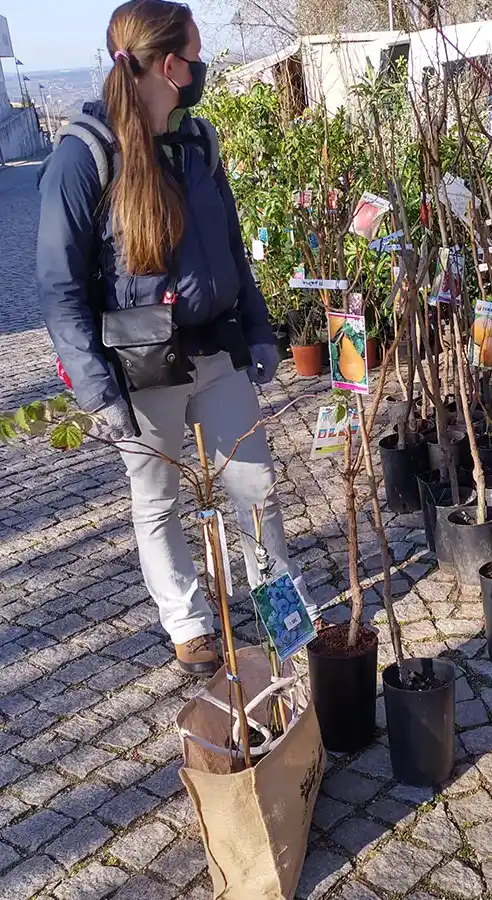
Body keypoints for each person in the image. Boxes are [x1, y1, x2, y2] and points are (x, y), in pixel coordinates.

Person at [35, 0, 316, 676]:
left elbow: (232, 250)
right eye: (195, 55)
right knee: (157, 502)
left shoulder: (199, 143)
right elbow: (59, 286)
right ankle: (190, 626)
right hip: (140, 369)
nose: (202, 68)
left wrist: (258, 331)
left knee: (255, 488)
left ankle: (280, 612)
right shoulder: (85, 157)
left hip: (217, 352)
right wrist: (97, 392)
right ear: (169, 65)